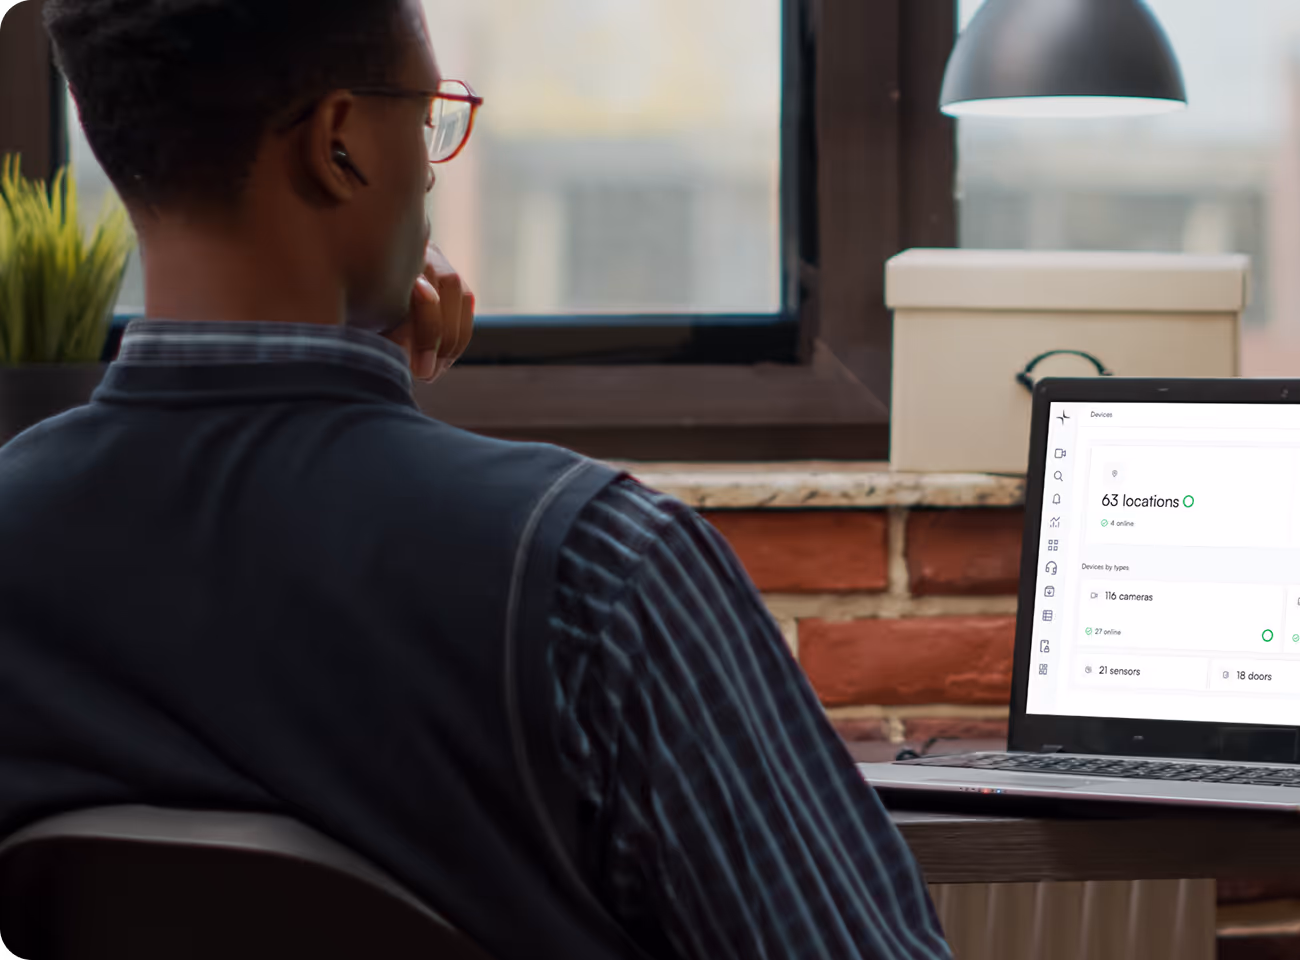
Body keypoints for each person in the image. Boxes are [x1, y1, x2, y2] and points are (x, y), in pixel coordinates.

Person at [0, 2, 953, 958]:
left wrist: (346, 323)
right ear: (339, 145)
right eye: (425, 120)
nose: (428, 164)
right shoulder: (600, 567)